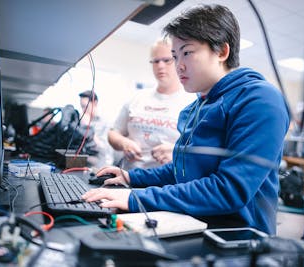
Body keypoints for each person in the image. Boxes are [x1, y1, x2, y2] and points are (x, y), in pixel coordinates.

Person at [82, 4, 290, 235]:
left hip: (237, 239)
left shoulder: (260, 100)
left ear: (221, 51)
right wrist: (131, 177)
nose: (178, 65)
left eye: (187, 52)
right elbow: (183, 170)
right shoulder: (199, 105)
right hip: (194, 224)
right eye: (175, 55)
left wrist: (134, 197)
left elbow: (229, 190)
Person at [108, 38, 194, 170]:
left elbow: (200, 152)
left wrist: (177, 152)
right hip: (127, 179)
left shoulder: (192, 103)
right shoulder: (137, 98)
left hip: (164, 185)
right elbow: (113, 133)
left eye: (167, 60)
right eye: (155, 61)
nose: (160, 66)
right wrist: (123, 143)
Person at [79, 90, 114, 169]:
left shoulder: (106, 122)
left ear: (95, 103)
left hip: (101, 166)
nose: (83, 110)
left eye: (85, 106)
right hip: (85, 164)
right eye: (81, 107)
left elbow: (104, 148)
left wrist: (88, 127)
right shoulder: (82, 121)